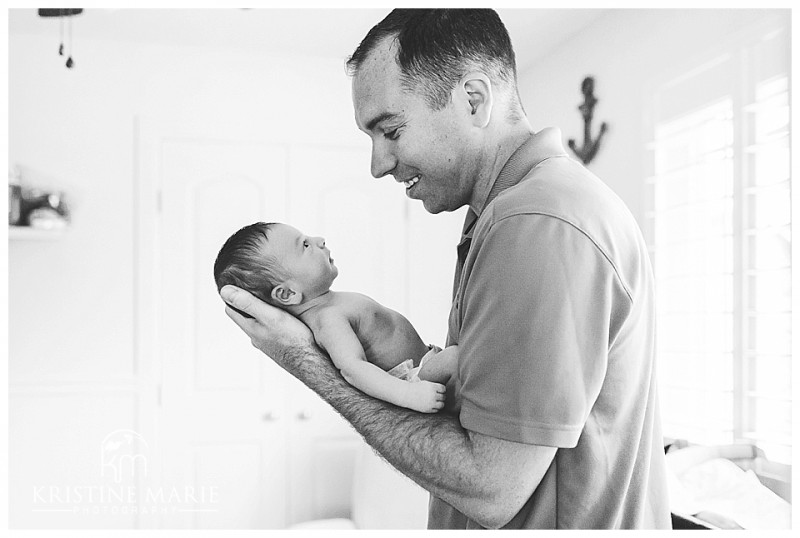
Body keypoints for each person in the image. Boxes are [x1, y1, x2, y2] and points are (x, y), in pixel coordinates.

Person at [220, 9, 670, 529]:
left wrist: (308, 363)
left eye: (390, 130)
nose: (378, 164)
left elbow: (490, 489)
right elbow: (488, 403)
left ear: (473, 100)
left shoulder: (535, 223)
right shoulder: (507, 212)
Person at [213, 221, 457, 413]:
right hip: (413, 380)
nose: (319, 240)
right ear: (287, 293)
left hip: (425, 360)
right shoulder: (328, 320)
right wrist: (408, 395)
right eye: (305, 246)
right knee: (459, 356)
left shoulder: (332, 304)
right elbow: (353, 369)